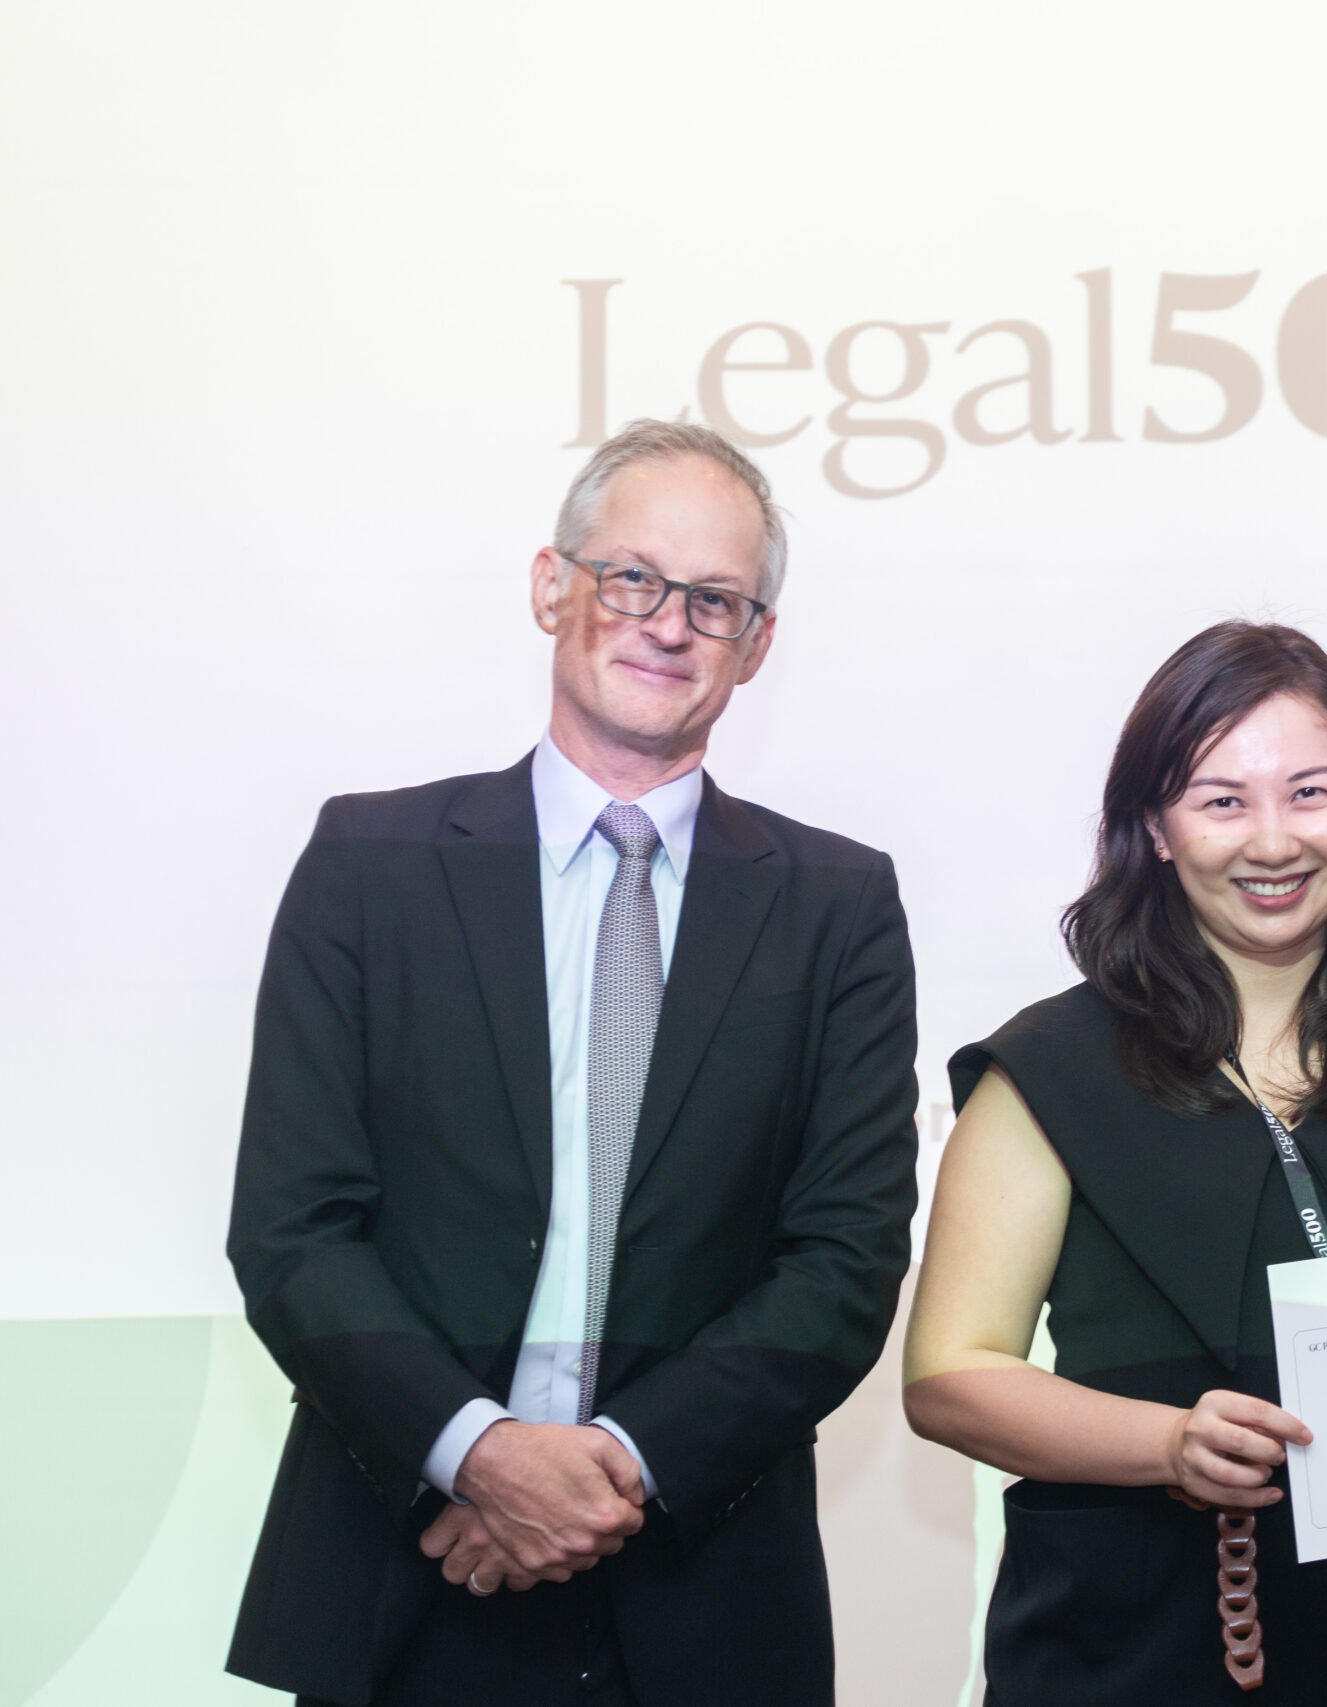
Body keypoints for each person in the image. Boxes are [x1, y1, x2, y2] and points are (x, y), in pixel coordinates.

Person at [225, 420, 920, 1707]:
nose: (669, 625)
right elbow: (292, 1229)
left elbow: (844, 1260)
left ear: (757, 644)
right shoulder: (368, 866)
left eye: (714, 600)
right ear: (553, 586)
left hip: (703, 1592)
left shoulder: (839, 906)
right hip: (402, 1570)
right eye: (633, 577)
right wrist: (481, 1456)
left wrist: (606, 1474)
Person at [903, 621, 1327, 1704]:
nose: (1273, 841)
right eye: (1221, 801)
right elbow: (949, 1375)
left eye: (1310, 793)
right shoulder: (1049, 1073)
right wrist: (1167, 1444)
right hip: (1120, 1657)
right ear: (1156, 828)